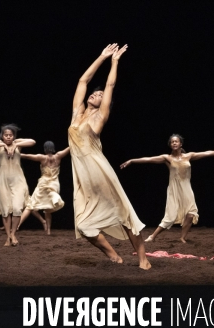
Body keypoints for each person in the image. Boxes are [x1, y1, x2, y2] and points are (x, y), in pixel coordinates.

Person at [68, 43, 150, 270]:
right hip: (82, 178)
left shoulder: (100, 117)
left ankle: (143, 259)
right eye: (94, 93)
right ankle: (114, 255)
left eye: (100, 94)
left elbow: (110, 84)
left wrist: (114, 62)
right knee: (83, 226)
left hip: (100, 172)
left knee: (124, 214)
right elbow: (83, 81)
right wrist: (101, 56)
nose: (95, 94)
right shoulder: (77, 115)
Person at [121, 134, 214, 243]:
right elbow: (148, 159)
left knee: (191, 214)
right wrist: (132, 161)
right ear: (170, 145)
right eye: (172, 142)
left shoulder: (188, 156)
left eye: (176, 141)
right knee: (170, 216)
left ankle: (182, 237)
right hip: (174, 189)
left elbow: (207, 153)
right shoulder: (167, 158)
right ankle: (152, 236)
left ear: (181, 144)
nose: (174, 143)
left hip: (186, 188)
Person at [0, 125, 35, 246]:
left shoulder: (18, 143)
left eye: (10, 135)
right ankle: (8, 237)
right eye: (6, 135)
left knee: (17, 208)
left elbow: (33, 142)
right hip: (3, 182)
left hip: (18, 181)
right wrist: (3, 145)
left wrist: (15, 145)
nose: (8, 137)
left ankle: (13, 234)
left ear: (14, 136)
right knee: (5, 210)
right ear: (2, 136)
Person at [18, 142, 69, 235]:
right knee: (47, 208)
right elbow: (70, 148)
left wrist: (15, 153)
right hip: (54, 184)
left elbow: (27, 156)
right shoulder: (58, 156)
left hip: (44, 184)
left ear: (45, 149)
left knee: (30, 205)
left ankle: (17, 225)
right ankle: (48, 231)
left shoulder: (42, 158)